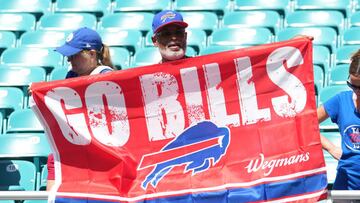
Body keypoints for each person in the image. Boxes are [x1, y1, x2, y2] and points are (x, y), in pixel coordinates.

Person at [47, 27, 114, 190]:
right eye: (69, 56)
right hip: (77, 145)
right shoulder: (72, 76)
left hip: (102, 149)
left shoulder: (108, 78)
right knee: (54, 159)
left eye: (75, 55)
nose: (70, 60)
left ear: (92, 54)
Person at [318, 49, 360, 191]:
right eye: (352, 86)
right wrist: (331, 148)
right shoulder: (341, 100)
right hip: (346, 183)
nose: (357, 92)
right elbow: (305, 125)